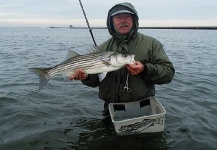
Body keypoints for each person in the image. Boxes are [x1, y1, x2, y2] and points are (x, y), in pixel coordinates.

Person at [70, 2, 175, 115]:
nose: (123, 20)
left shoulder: (152, 44)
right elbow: (95, 81)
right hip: (110, 109)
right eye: (118, 17)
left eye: (127, 16)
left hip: (143, 107)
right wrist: (85, 77)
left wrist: (145, 69)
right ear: (112, 22)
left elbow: (168, 74)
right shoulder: (103, 48)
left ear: (134, 19)